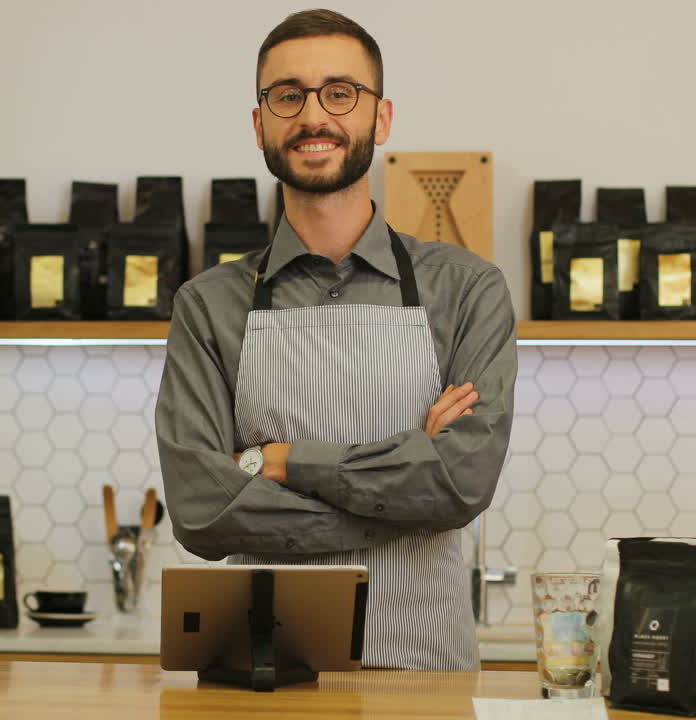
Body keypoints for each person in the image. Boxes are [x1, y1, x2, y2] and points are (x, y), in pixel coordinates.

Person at [154, 8, 517, 670]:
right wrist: (406, 500)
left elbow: (461, 481)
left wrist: (281, 462)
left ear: (381, 118)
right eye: (288, 96)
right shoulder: (207, 305)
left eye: (340, 93)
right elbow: (202, 510)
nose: (314, 116)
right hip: (261, 678)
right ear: (260, 124)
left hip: (422, 677)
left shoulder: (467, 289)